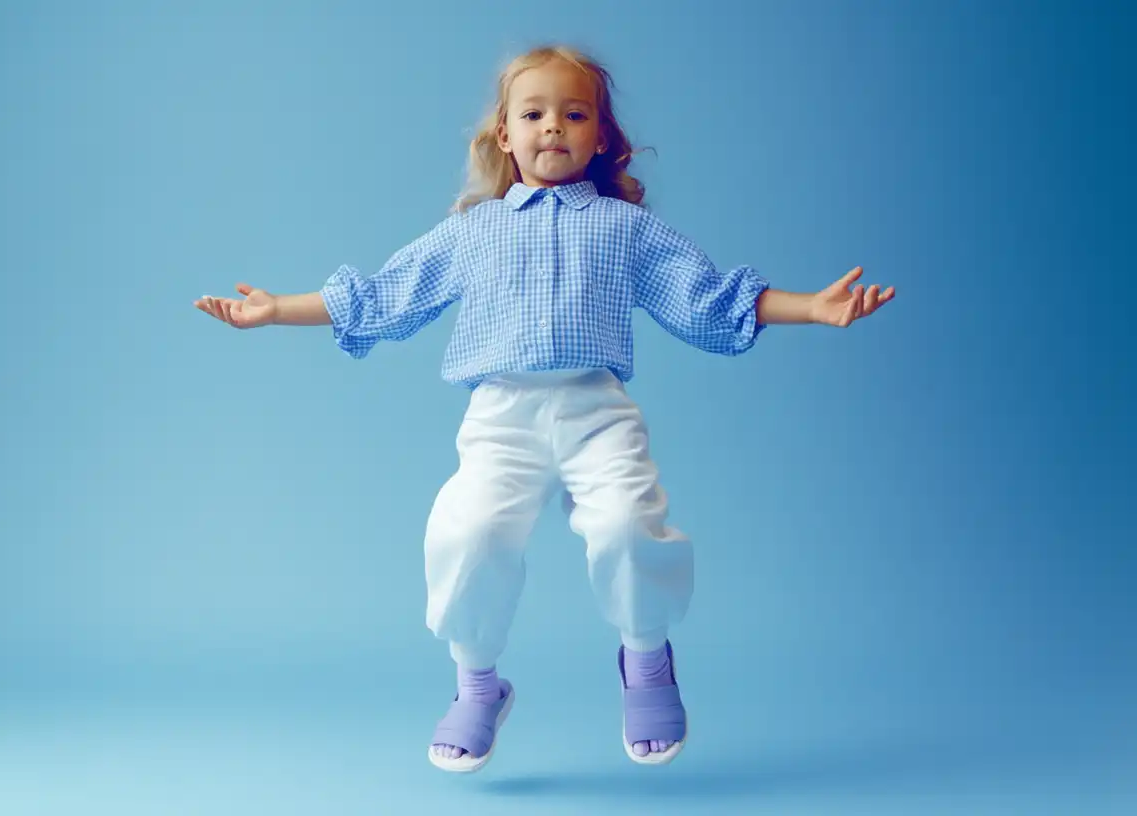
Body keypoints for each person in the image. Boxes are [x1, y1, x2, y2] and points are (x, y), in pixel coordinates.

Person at [194, 44, 894, 772]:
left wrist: (812, 307)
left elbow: (708, 296)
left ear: (601, 139)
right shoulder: (472, 231)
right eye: (533, 114)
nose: (552, 127)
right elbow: (382, 295)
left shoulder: (626, 230)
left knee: (629, 527)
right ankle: (477, 684)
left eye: (574, 113)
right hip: (502, 420)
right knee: (468, 538)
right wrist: (277, 309)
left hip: (596, 411)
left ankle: (646, 661)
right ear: (504, 134)